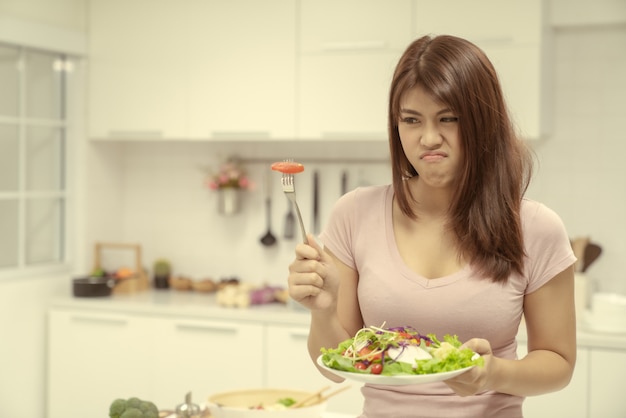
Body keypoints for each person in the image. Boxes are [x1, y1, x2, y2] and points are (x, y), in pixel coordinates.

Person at [287, 34, 576, 418]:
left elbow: (558, 363)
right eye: (411, 120)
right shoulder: (354, 213)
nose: (428, 138)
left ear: (482, 122)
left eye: (448, 118)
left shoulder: (536, 227)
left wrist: (493, 374)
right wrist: (322, 311)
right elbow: (334, 367)